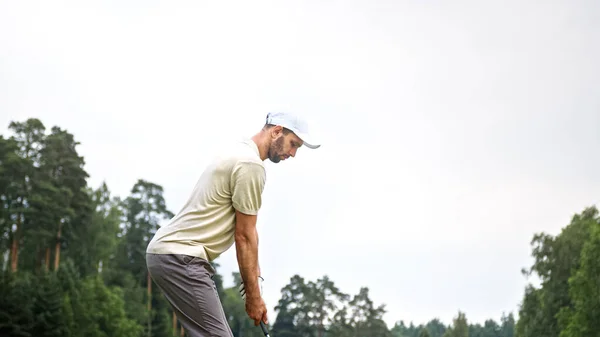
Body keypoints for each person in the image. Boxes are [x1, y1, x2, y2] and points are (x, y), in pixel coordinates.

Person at [146, 112, 320, 337]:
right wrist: (253, 298)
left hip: (170, 256)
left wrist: (255, 283)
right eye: (293, 144)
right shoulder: (250, 165)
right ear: (277, 131)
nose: (293, 154)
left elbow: (250, 230)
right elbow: (244, 236)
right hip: (181, 258)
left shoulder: (239, 150)